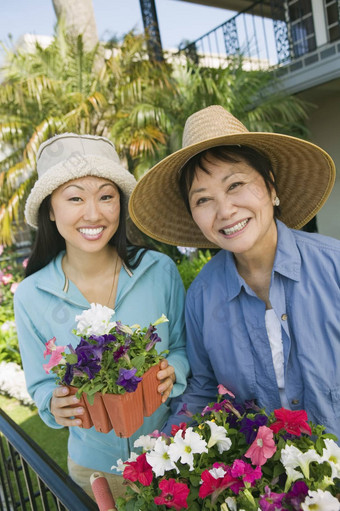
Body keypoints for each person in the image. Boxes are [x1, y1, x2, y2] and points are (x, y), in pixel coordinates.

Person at [128, 105, 340, 440]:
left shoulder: (334, 266)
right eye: (203, 200)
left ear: (272, 187)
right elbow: (202, 390)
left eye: (235, 184)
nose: (225, 211)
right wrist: (156, 454)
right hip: (266, 488)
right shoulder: (201, 296)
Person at [14, 133, 190, 499]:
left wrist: (177, 370)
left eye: (106, 196)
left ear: (121, 204)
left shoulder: (158, 269)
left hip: (168, 453)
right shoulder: (31, 295)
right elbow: (41, 385)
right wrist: (53, 403)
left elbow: (183, 348)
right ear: (50, 208)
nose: (93, 213)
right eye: (75, 197)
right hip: (93, 470)